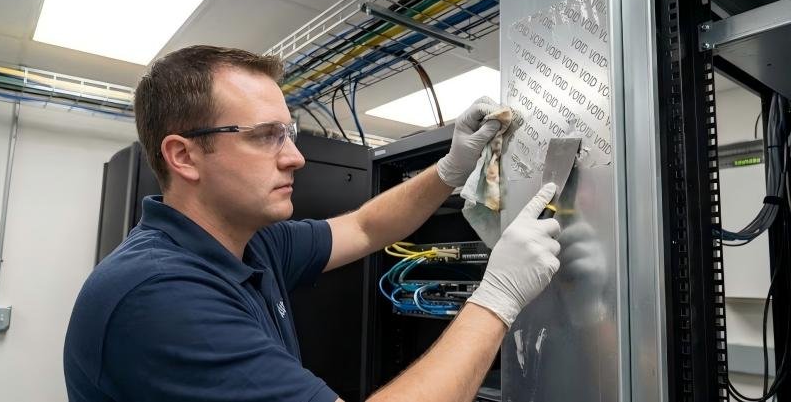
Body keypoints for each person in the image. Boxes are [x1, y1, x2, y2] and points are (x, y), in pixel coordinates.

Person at [64, 45, 562, 402]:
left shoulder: (253, 244)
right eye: (266, 136)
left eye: (290, 133)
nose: (296, 158)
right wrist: (497, 298)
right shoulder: (159, 296)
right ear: (184, 156)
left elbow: (367, 227)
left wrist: (450, 169)